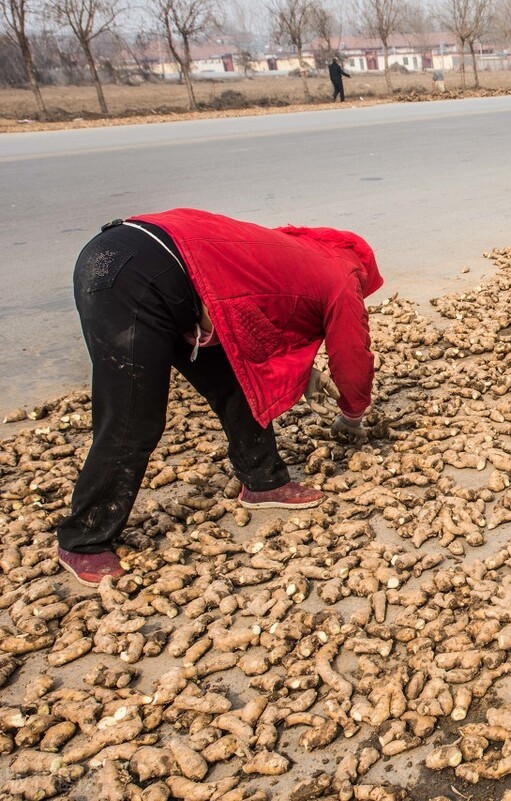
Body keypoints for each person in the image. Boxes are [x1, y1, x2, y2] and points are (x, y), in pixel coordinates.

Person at [57, 209, 383, 587]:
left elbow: (258, 307)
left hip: (161, 266)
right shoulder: (344, 277)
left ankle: (264, 481)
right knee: (133, 416)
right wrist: (352, 415)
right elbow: (352, 356)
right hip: (131, 276)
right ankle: (84, 539)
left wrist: (304, 373)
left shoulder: (301, 249)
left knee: (236, 381)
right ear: (364, 270)